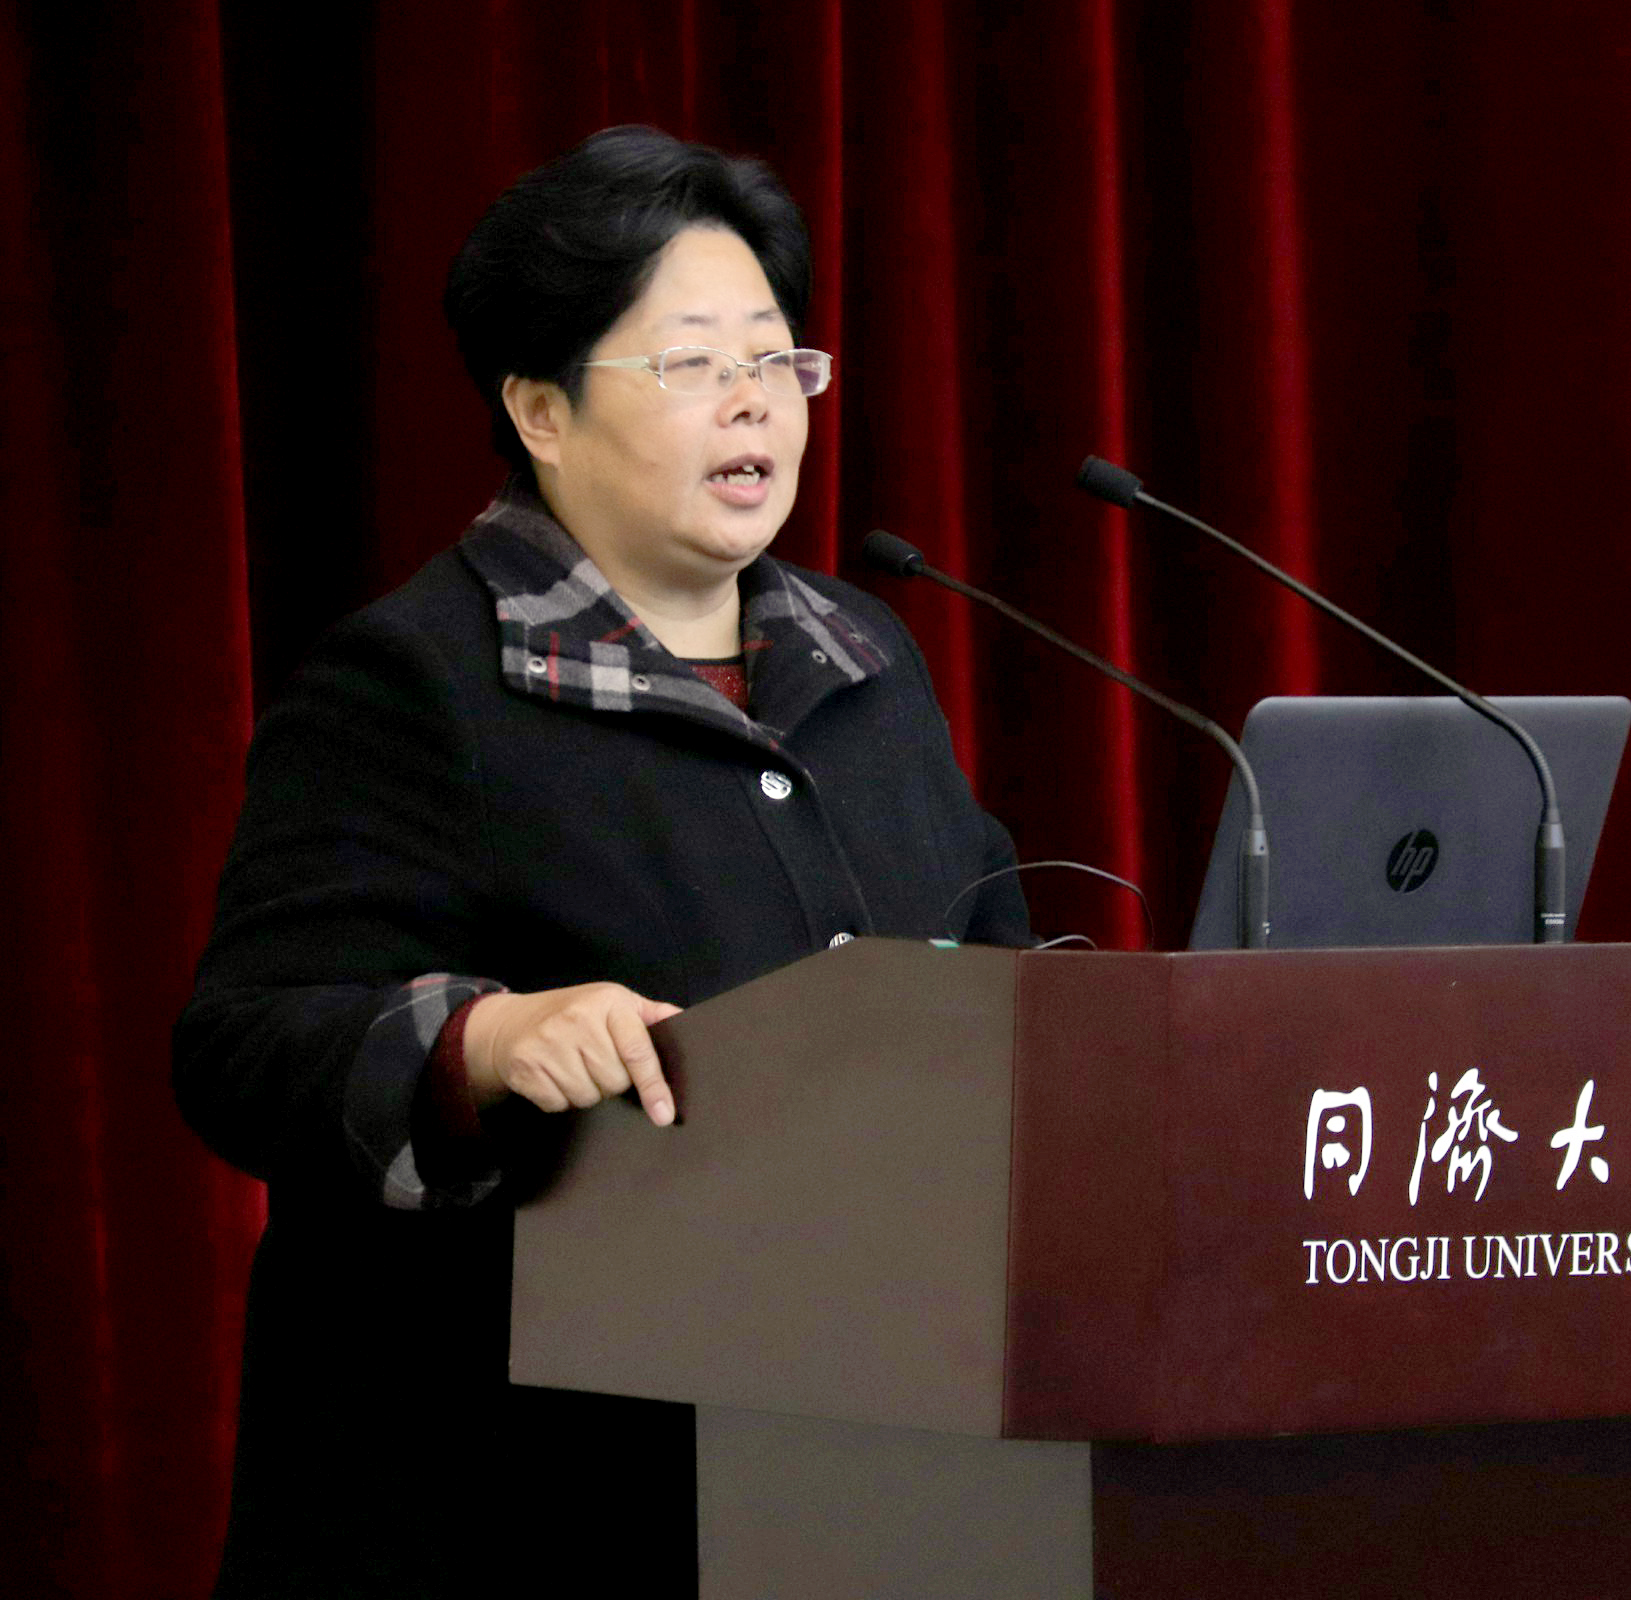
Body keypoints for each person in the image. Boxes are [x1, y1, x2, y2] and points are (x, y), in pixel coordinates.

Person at [174, 126, 1028, 1597]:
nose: (753, 402)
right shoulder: (416, 683)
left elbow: (992, 959)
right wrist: (487, 1041)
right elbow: (242, 1047)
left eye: (775, 359)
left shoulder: (862, 658)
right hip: (508, 1500)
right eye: (691, 363)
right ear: (541, 410)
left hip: (842, 1461)